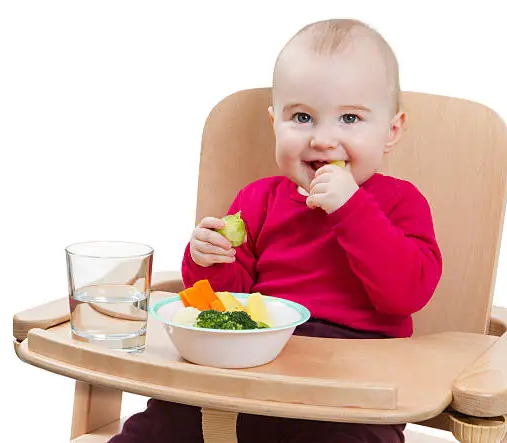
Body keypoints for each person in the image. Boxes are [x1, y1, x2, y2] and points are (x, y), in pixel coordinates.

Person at [110, 18, 442, 443]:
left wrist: (351, 209)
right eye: (302, 117)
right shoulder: (257, 201)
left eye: (350, 119)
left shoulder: (400, 203)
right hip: (251, 369)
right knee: (163, 418)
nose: (323, 139)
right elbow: (228, 304)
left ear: (391, 130)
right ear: (275, 123)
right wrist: (206, 260)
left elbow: (405, 294)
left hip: (353, 393)